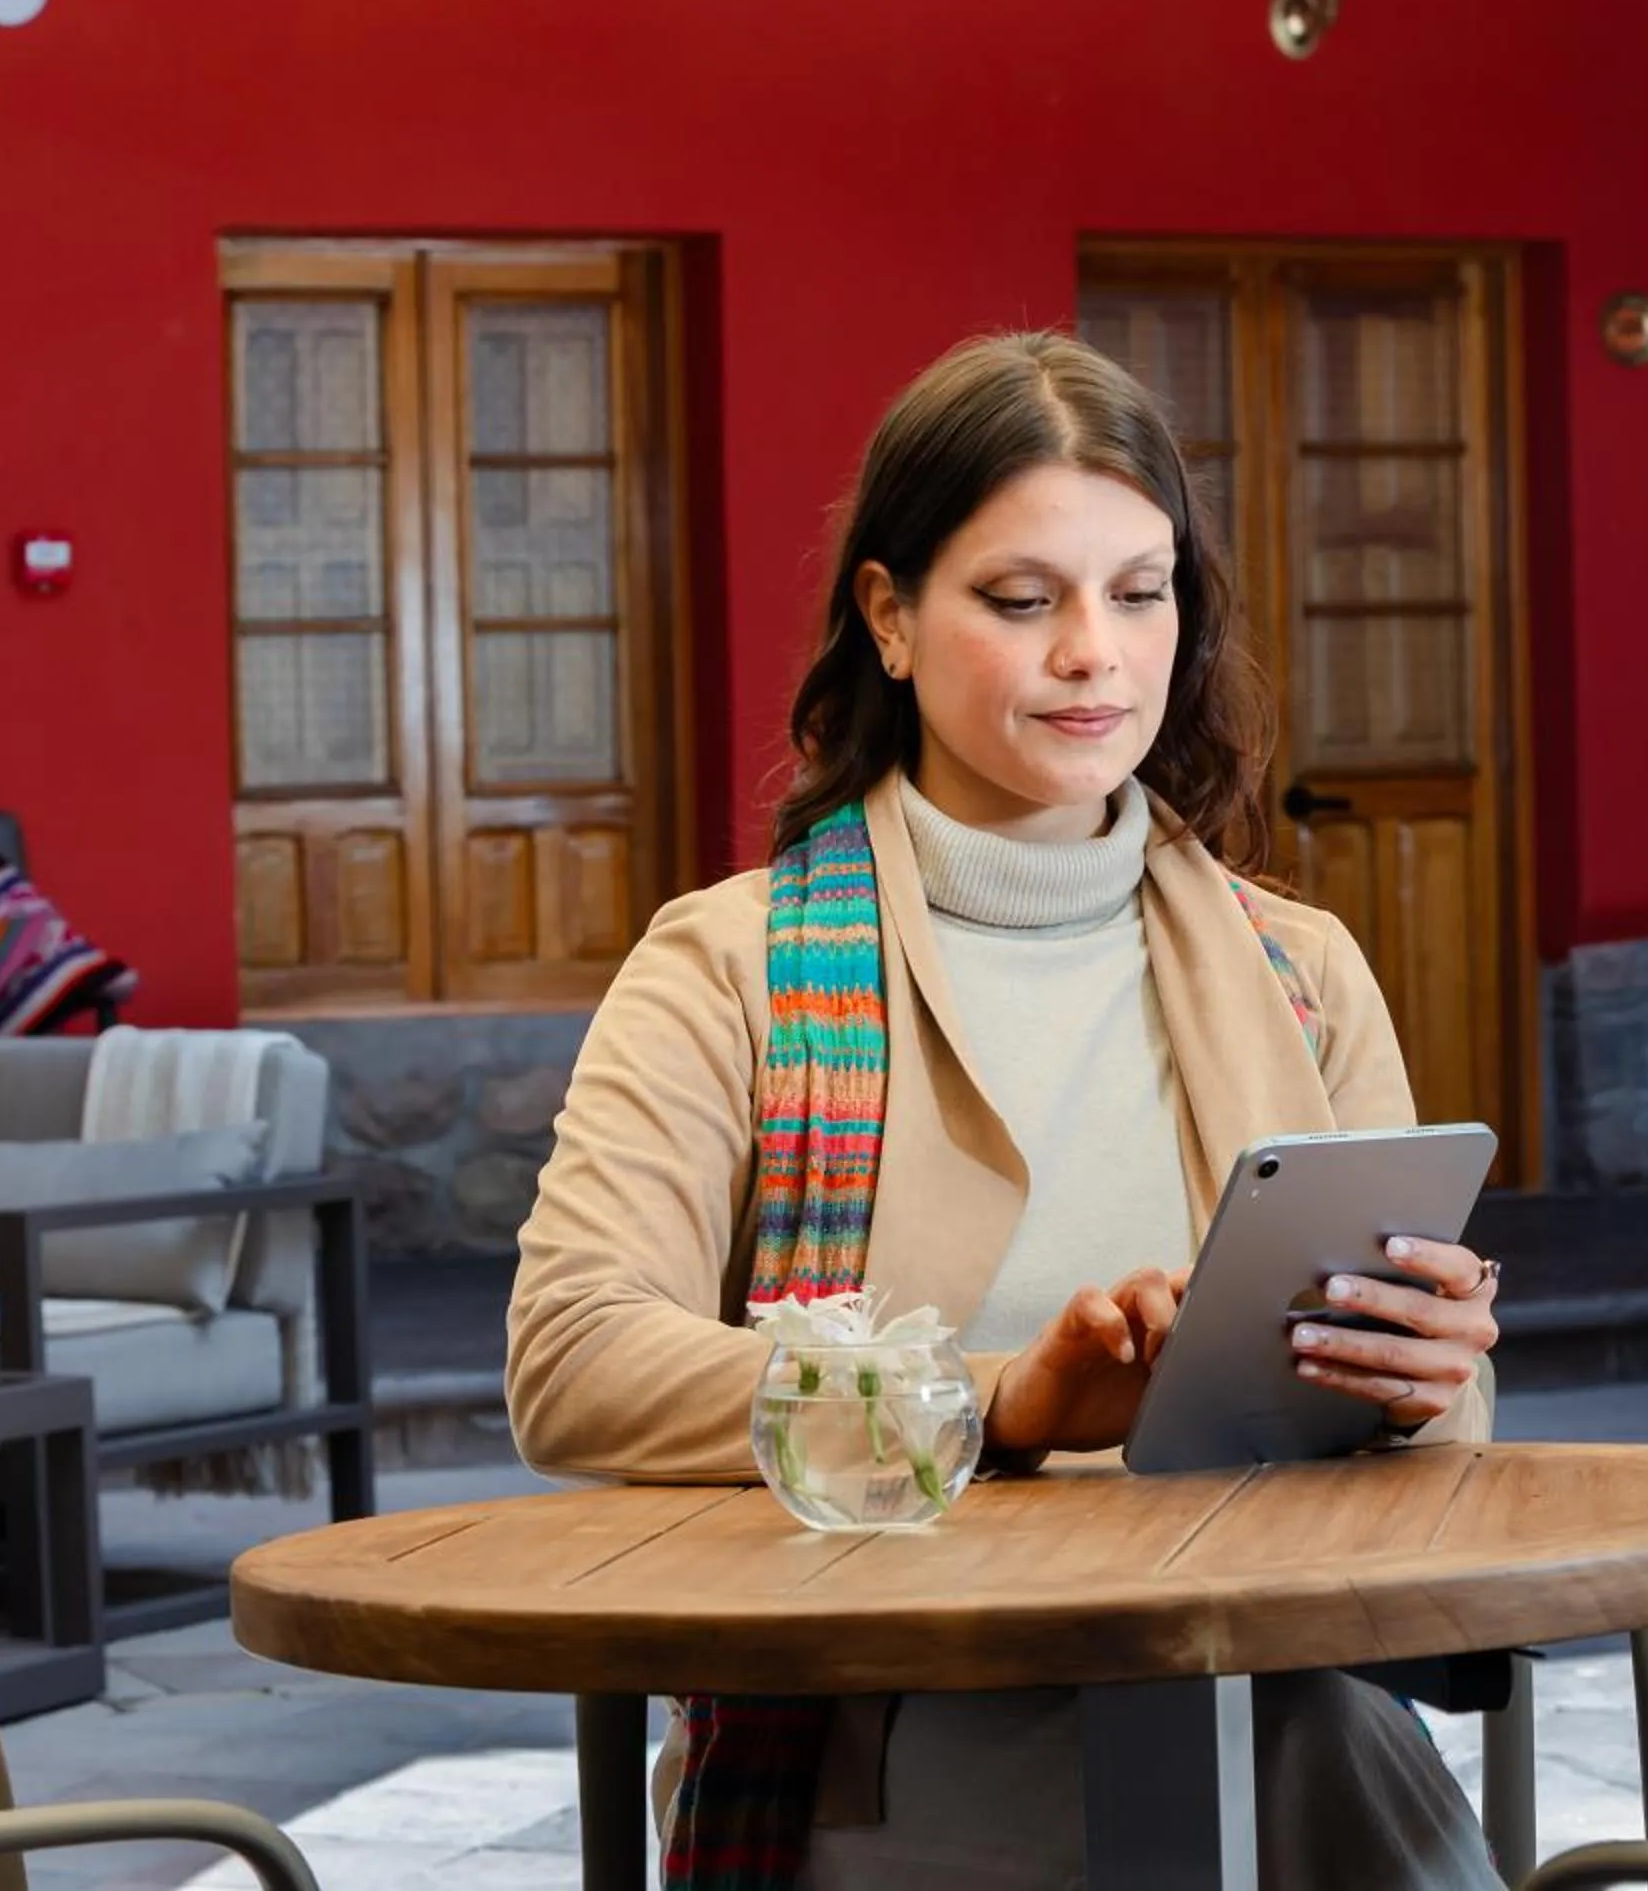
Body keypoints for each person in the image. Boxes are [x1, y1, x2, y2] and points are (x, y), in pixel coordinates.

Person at [503, 331, 1506, 1891]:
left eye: (1141, 592)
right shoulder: (728, 968)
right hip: (888, 1718)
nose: (1096, 653)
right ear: (890, 617)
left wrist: (1426, 1372)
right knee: (1295, 1762)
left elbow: (1440, 1449)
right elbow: (573, 1363)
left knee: (1291, 1735)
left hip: (1263, 1656)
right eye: (1025, 601)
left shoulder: (1301, 971)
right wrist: (992, 1407)